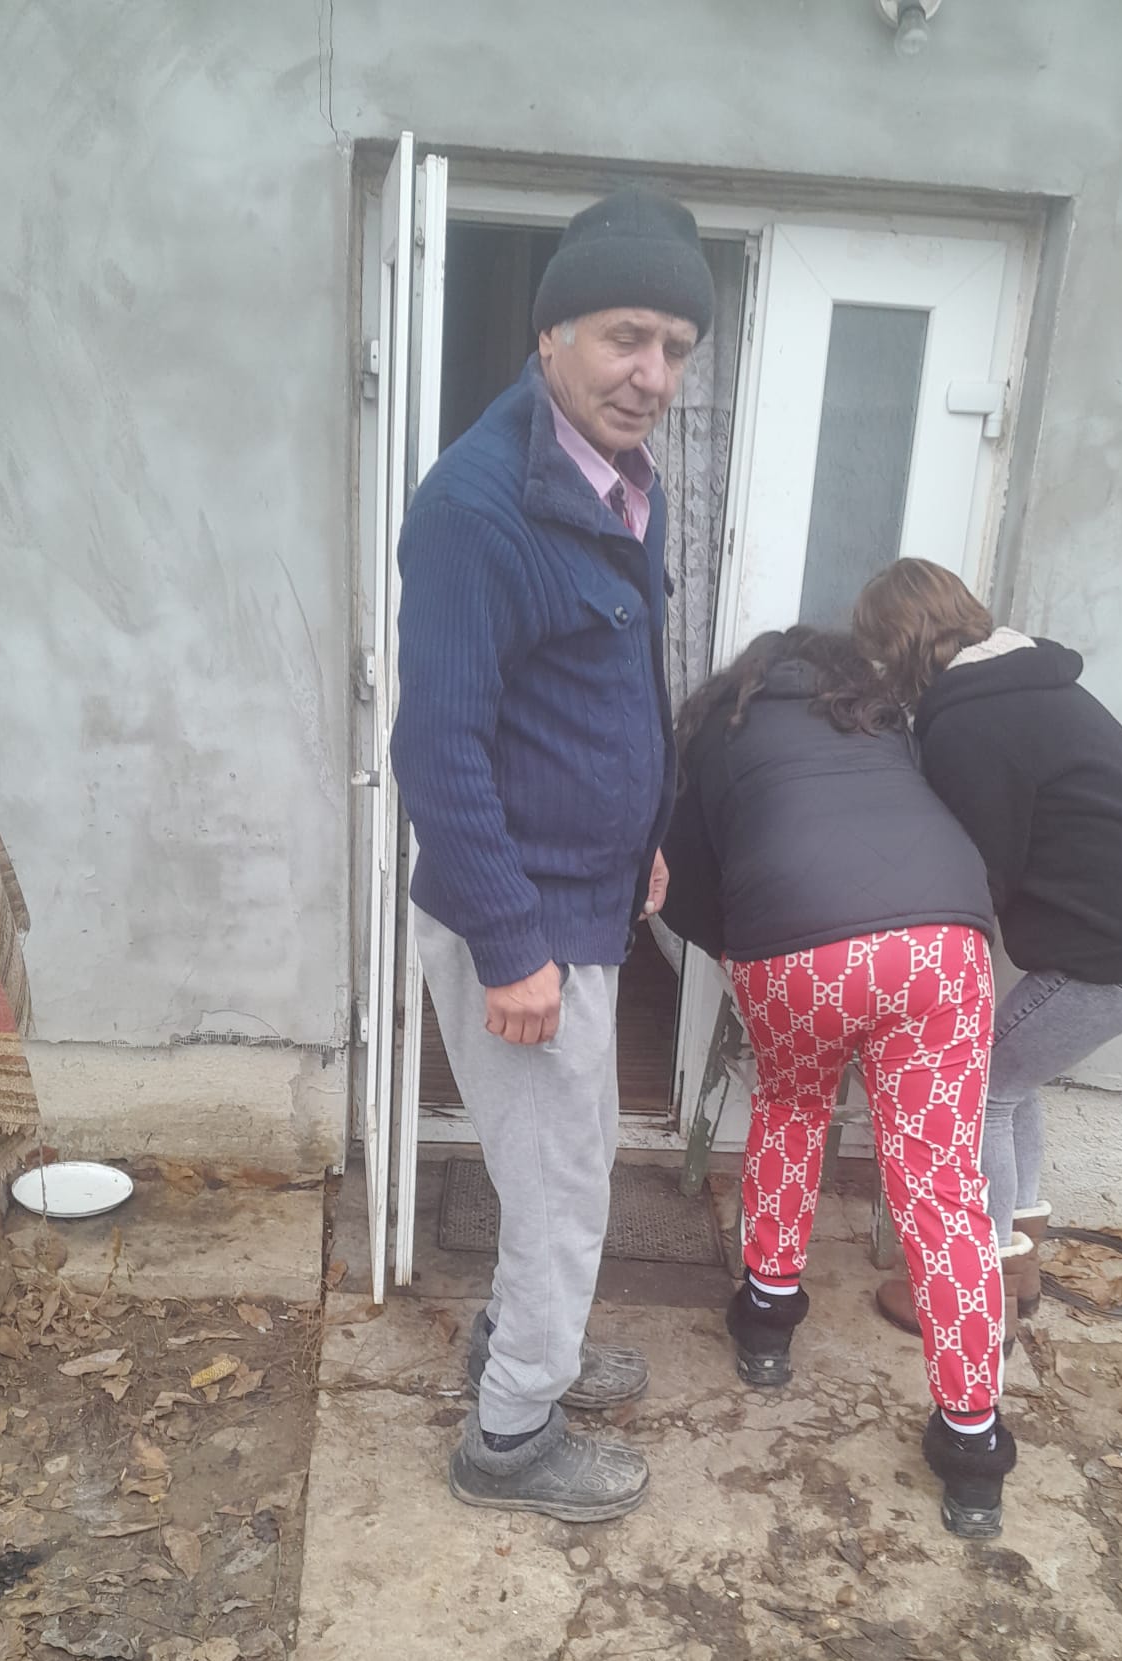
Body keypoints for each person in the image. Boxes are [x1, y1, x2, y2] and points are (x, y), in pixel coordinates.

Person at [390, 189, 715, 1522]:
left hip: (583, 897)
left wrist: (645, 843)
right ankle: (511, 1436)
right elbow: (437, 750)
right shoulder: (478, 510)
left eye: (676, 349)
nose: (651, 374)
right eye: (626, 337)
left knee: (552, 1171)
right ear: (551, 335)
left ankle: (528, 1349)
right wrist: (511, 944)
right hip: (518, 918)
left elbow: (608, 688)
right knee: (566, 1191)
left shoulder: (620, 484)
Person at [659, 625, 1024, 1539]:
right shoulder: (880, 719)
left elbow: (686, 881)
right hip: (944, 943)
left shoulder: (719, 733)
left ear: (747, 681)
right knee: (942, 1188)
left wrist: (744, 946)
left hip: (796, 948)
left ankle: (767, 1322)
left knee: (791, 1108)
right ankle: (973, 1447)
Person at [851, 560, 1122, 1330]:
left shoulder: (969, 722)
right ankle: (1016, 1266)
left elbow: (981, 872)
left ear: (897, 644)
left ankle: (974, 1288)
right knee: (1011, 1077)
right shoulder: (1034, 685)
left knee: (982, 1086)